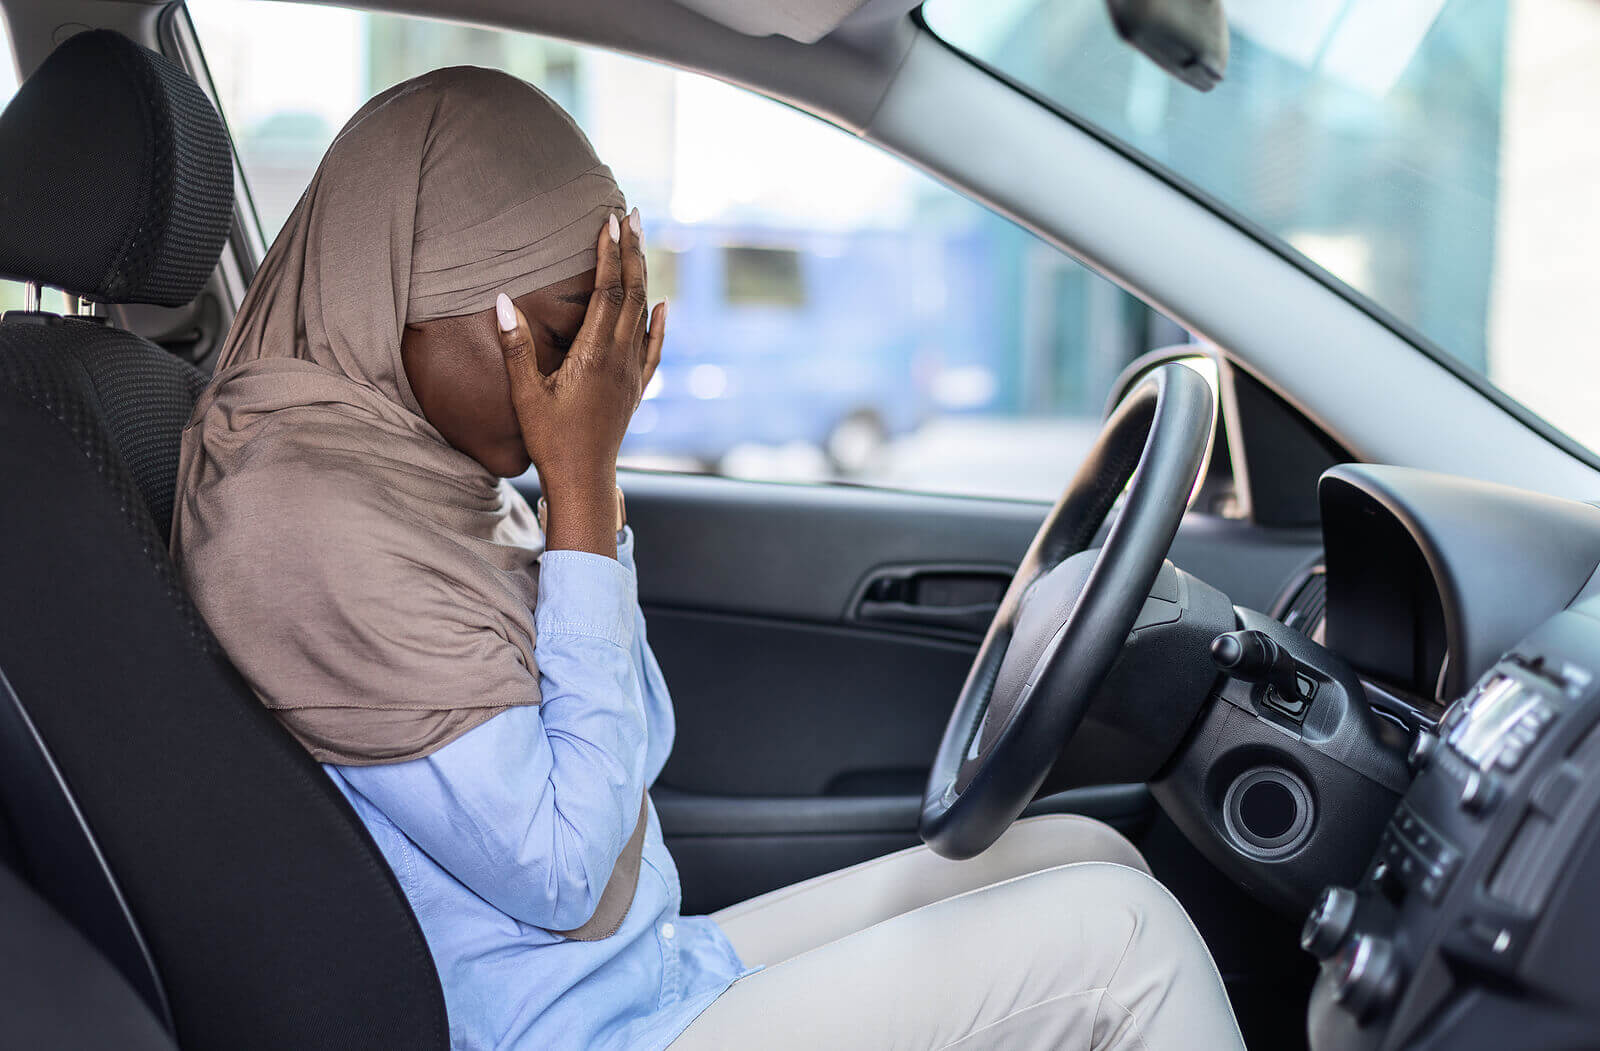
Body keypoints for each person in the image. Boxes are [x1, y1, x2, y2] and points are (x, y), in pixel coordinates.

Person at [171, 66, 1244, 1050]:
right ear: (400, 285)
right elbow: (566, 868)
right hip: (566, 1029)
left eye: (604, 342)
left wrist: (585, 504)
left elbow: (639, 748)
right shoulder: (300, 515)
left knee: (1086, 856)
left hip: (636, 977)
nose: (581, 384)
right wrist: (583, 495)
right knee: (1126, 942)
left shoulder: (421, 483)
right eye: (555, 340)